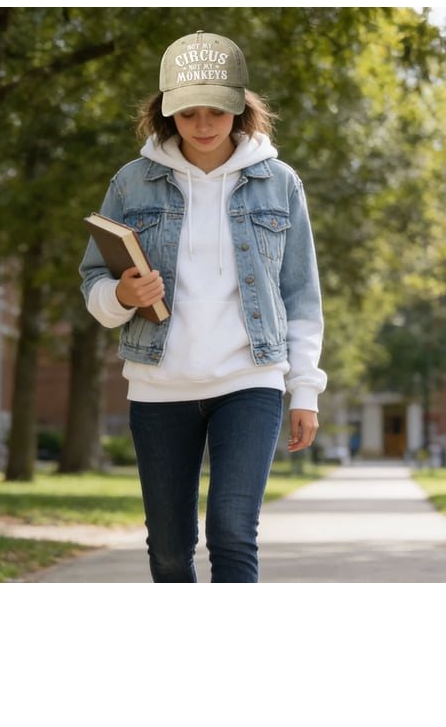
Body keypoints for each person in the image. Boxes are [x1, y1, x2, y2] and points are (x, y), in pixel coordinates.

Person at [80, 31, 327, 583]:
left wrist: (305, 390)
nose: (204, 124)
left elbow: (301, 295)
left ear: (241, 107)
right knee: (169, 548)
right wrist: (122, 295)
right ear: (167, 114)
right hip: (160, 384)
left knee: (233, 532)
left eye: (217, 110)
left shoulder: (279, 183)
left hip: (250, 378)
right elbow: (95, 278)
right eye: (188, 113)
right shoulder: (131, 181)